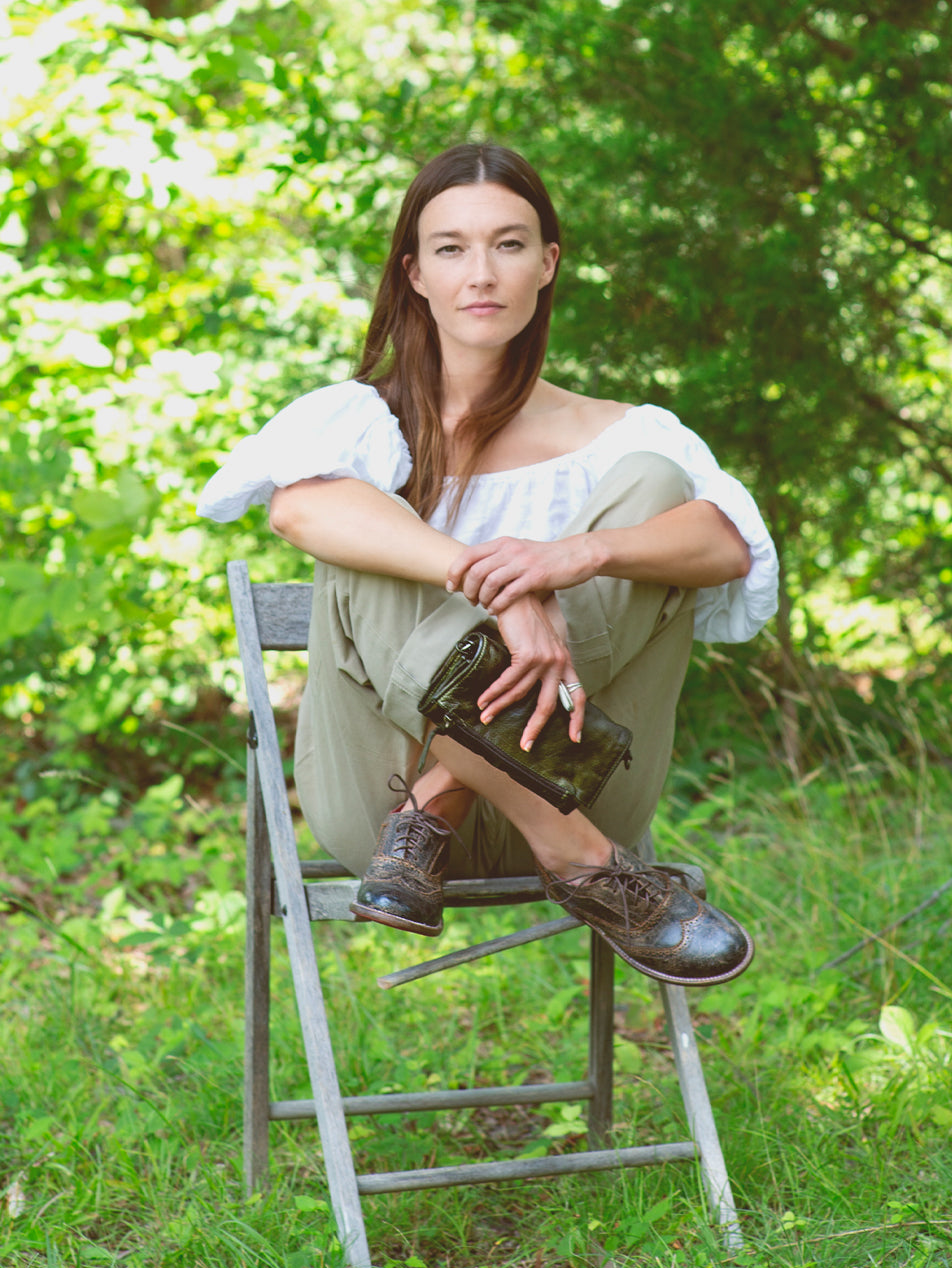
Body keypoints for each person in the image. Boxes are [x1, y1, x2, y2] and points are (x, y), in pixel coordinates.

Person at [198, 143, 778, 987]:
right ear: (415, 274)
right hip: (383, 813)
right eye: (451, 248)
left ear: (547, 264)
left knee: (656, 490)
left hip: (566, 781)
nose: (482, 272)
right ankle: (581, 862)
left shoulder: (626, 436)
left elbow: (728, 548)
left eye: (509, 245)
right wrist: (503, 588)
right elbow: (297, 509)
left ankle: (452, 791)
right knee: (366, 517)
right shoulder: (359, 426)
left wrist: (577, 554)